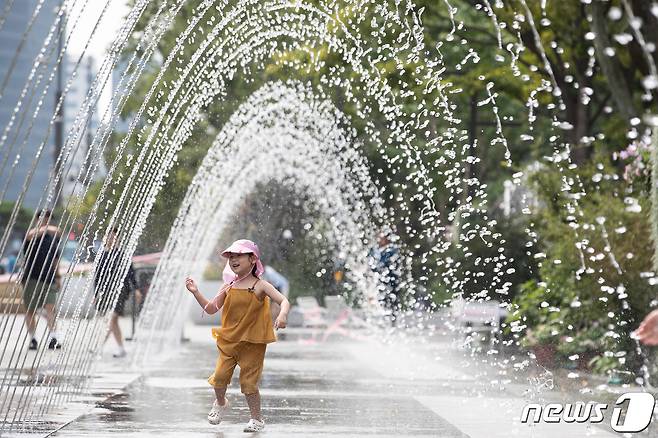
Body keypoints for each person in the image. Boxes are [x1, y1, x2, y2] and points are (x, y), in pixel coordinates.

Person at [185, 239, 290, 432]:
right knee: (219, 378)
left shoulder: (261, 286)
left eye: (238, 255)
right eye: (231, 257)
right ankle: (221, 402)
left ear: (252, 259)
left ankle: (256, 419)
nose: (233, 259)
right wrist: (196, 292)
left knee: (249, 384)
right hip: (229, 340)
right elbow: (211, 309)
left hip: (253, 343)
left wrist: (282, 315)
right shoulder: (228, 286)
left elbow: (283, 300)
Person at [93, 227, 142, 358]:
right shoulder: (101, 256)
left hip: (121, 290)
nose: (111, 239)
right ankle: (120, 348)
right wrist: (96, 293)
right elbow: (97, 277)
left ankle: (100, 346)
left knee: (112, 318)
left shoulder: (122, 255)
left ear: (118, 239)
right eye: (109, 236)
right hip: (106, 291)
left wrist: (136, 289)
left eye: (114, 237)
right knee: (112, 321)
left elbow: (131, 273)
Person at [20, 209, 62, 350]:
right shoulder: (31, 234)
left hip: (48, 278)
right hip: (31, 278)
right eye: (43, 218)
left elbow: (56, 259)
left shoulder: (51, 238)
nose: (46, 221)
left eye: (48, 218)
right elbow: (30, 235)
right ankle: (33, 338)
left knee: (51, 308)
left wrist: (58, 277)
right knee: (30, 310)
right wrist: (46, 228)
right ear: (37, 219)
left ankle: (53, 337)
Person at [369, 231, 402, 324]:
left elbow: (392, 263)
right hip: (379, 279)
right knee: (381, 298)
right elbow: (370, 261)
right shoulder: (375, 249)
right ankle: (383, 319)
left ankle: (393, 319)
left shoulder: (392, 249)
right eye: (379, 238)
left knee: (392, 299)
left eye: (382, 238)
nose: (380, 240)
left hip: (392, 279)